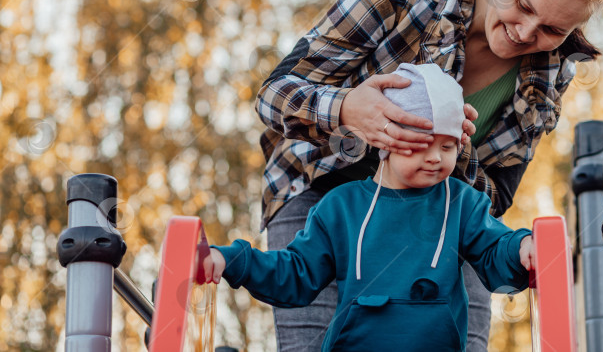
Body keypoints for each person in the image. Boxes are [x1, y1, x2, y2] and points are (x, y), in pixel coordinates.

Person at [256, 0, 603, 351]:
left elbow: (496, 194)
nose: (525, 32)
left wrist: (453, 153)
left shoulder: (550, 74)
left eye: (552, 29)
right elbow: (273, 94)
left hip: (438, 220)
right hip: (320, 191)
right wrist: (350, 108)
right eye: (521, 4)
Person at [203, 63, 534, 351]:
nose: (434, 157)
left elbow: (495, 249)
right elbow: (295, 274)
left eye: (447, 146)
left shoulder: (462, 203)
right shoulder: (341, 207)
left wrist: (521, 247)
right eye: (419, 144)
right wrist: (233, 260)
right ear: (386, 141)